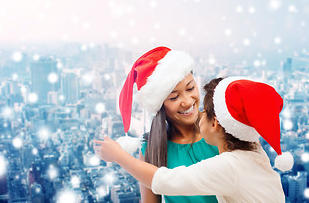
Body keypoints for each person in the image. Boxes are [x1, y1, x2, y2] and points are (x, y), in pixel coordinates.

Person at [94, 77, 294, 203]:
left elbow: (164, 180)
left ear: (215, 123)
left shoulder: (228, 165)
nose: (190, 103)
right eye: (174, 97)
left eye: (191, 88)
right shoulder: (248, 146)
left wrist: (118, 156)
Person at [116, 46, 219, 203]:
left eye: (191, 87)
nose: (187, 101)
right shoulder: (151, 149)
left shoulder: (220, 128)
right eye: (174, 97)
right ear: (160, 106)